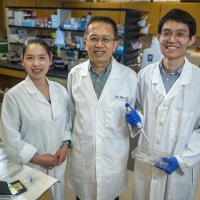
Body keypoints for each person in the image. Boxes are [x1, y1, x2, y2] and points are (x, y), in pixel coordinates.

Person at [125, 8, 200, 200]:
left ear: (191, 39)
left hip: (179, 169)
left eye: (180, 34)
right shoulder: (145, 75)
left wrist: (182, 160)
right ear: (158, 37)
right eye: (166, 33)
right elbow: (141, 109)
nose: (172, 40)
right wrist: (136, 118)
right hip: (147, 162)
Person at [67, 16, 137, 200]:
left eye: (106, 39)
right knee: (82, 196)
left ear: (115, 44)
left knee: (111, 196)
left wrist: (138, 121)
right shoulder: (75, 74)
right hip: (83, 156)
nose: (99, 44)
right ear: (85, 42)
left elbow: (138, 119)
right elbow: (71, 116)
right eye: (93, 38)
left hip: (112, 159)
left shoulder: (130, 77)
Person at [0, 39, 72, 200]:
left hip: (58, 163)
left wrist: (65, 146)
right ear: (22, 61)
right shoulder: (14, 96)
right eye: (30, 58)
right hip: (30, 167)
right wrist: (38, 158)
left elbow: (67, 122)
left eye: (42, 57)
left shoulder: (60, 91)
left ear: (50, 60)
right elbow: (9, 137)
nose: (36, 64)